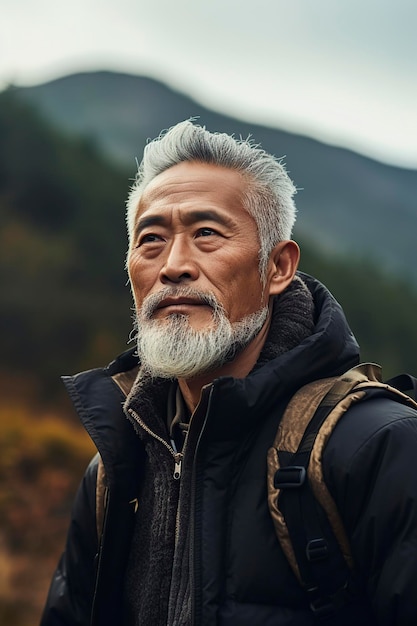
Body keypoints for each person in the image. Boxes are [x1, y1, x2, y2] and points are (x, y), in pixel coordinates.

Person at [40, 121, 417, 626]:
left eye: (206, 234)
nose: (174, 265)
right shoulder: (117, 467)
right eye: (150, 239)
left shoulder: (379, 446)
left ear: (277, 267)